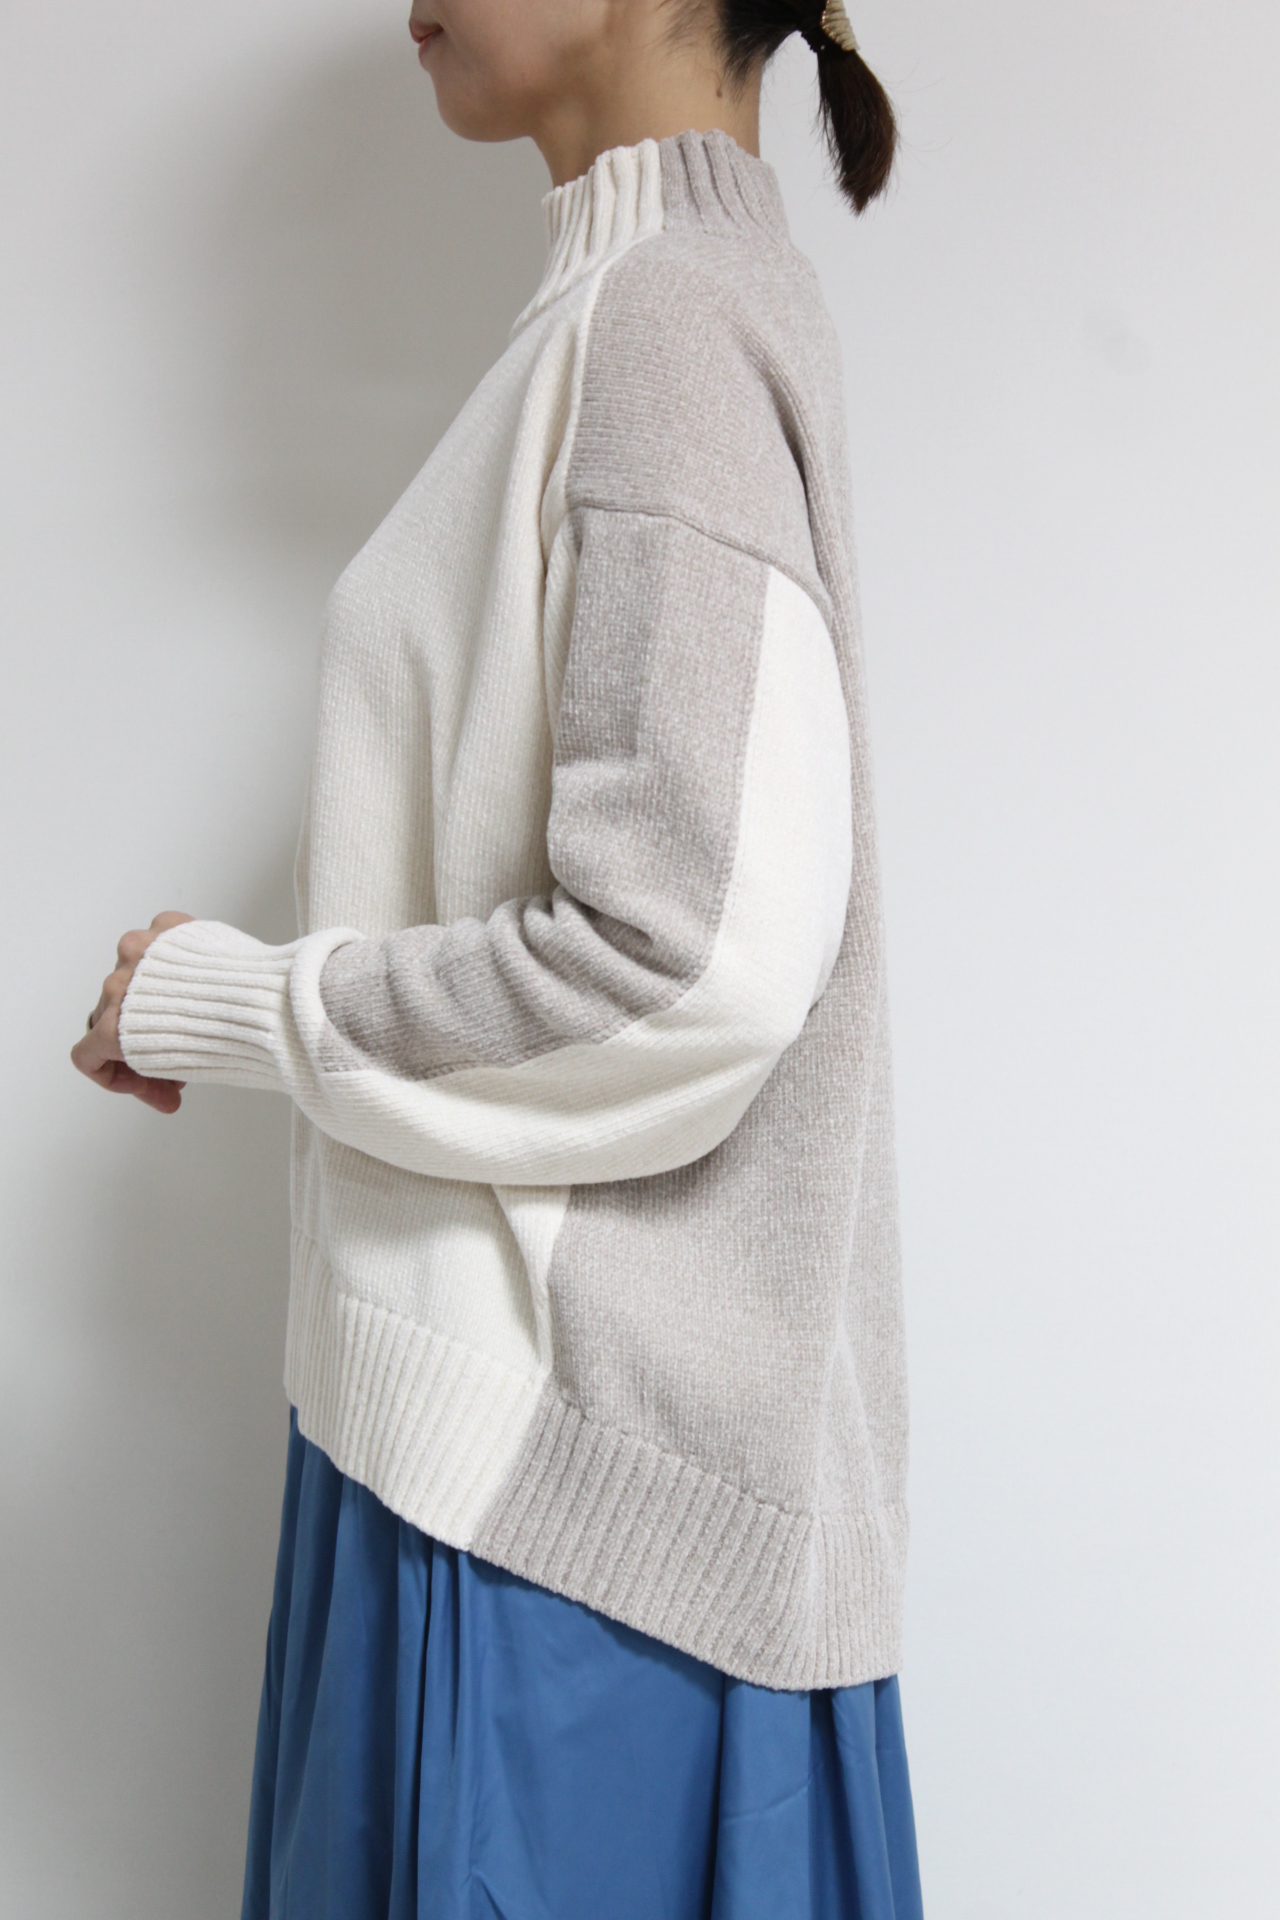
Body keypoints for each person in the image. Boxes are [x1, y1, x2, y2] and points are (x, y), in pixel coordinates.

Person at [71, 2, 923, 1914]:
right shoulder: (636, 310)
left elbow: (685, 957)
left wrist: (250, 1001)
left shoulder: (667, 326)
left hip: (559, 1537)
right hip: (518, 1483)